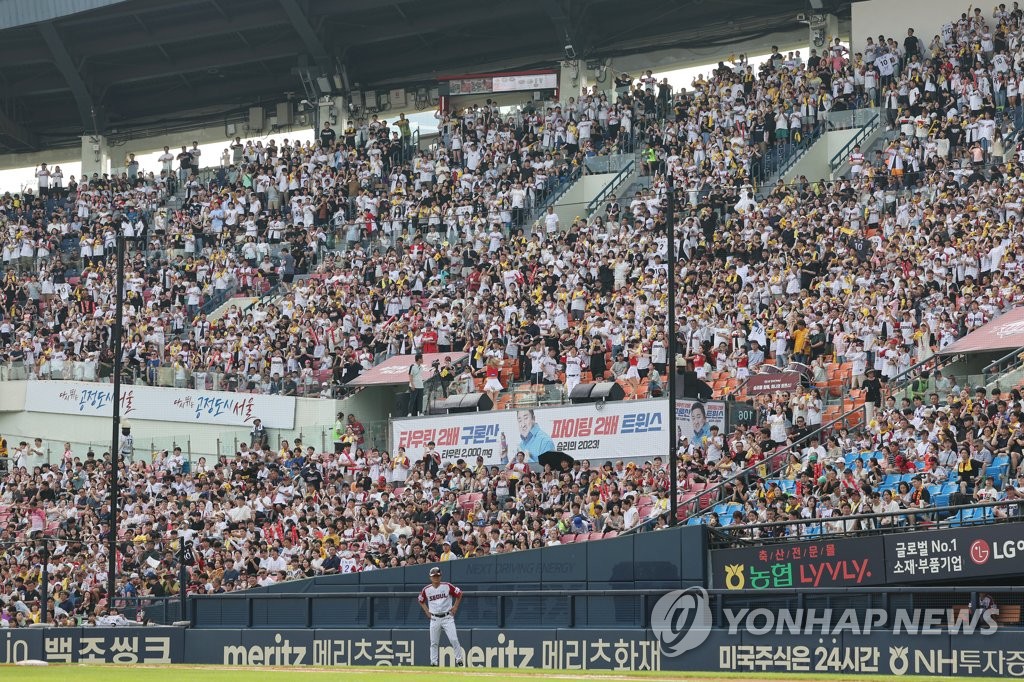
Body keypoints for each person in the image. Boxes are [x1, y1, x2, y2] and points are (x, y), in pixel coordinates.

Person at [418, 566, 464, 667]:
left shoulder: (447, 586)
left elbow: (459, 593)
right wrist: (426, 611)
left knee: (454, 639)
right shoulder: (426, 589)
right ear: (430, 577)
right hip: (434, 618)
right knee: (434, 642)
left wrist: (455, 606)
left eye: (437, 576)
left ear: (440, 576)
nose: (436, 578)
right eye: (434, 576)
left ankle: (459, 660)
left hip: (447, 617)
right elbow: (420, 600)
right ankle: (434, 662)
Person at [409, 353, 425, 417]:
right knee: (412, 400)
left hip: (420, 385)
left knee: (420, 400)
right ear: (419, 359)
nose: (423, 360)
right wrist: (412, 385)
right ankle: (410, 412)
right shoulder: (412, 366)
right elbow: (410, 375)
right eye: (422, 358)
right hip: (414, 386)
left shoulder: (421, 367)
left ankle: (420, 412)